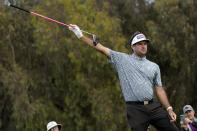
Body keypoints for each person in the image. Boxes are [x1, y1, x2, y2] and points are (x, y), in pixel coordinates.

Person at [69, 24, 178, 131]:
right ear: (132, 46)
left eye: (145, 43)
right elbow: (101, 48)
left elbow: (160, 91)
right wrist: (80, 36)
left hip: (152, 106)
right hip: (135, 109)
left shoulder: (154, 66)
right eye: (139, 44)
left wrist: (169, 108)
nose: (143, 46)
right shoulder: (122, 60)